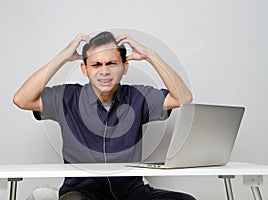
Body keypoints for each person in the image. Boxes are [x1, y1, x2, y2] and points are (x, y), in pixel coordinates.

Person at [13, 31, 195, 200]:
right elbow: (22, 99)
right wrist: (61, 57)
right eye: (96, 64)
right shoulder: (67, 97)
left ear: (125, 67)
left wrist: (149, 54)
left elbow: (183, 97)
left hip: (131, 192)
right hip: (81, 193)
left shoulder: (138, 97)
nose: (104, 71)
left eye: (111, 63)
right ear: (85, 69)